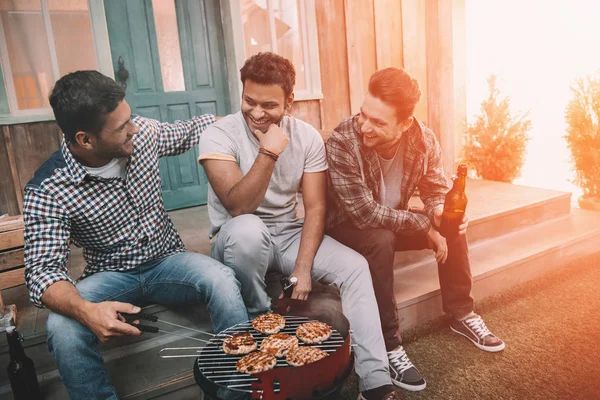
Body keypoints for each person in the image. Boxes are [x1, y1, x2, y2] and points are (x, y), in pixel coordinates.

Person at [23, 70, 249, 400]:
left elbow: (191, 130)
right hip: (109, 277)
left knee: (223, 280)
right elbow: (43, 272)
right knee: (61, 327)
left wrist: (249, 118)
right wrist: (88, 311)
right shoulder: (48, 188)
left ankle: (237, 392)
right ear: (85, 139)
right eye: (122, 127)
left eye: (131, 118)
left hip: (168, 262)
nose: (135, 128)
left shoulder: (141, 134)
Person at [198, 53, 402, 400]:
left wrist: (304, 269)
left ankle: (375, 377)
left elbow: (316, 206)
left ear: (289, 102)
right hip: (237, 236)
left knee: (355, 267)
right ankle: (264, 328)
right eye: (249, 101)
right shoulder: (218, 135)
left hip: (287, 233)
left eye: (269, 105)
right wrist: (269, 152)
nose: (257, 112)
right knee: (249, 229)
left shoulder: (306, 137)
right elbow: (238, 206)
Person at [325, 67, 505, 392]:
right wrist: (425, 226)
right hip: (346, 228)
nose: (365, 126)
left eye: (378, 122)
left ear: (405, 123)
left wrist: (438, 214)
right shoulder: (342, 141)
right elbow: (363, 214)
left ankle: (461, 313)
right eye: (364, 115)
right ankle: (390, 344)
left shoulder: (423, 139)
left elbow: (436, 188)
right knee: (380, 238)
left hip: (392, 219)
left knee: (452, 220)